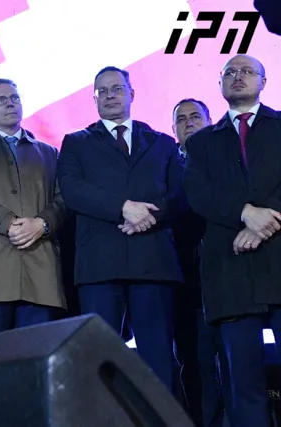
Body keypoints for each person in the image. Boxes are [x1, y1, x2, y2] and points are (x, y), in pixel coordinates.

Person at [57, 66, 185, 389]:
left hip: (153, 262)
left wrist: (149, 217)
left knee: (158, 361)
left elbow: (181, 194)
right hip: (100, 265)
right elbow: (72, 190)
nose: (110, 95)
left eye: (117, 88)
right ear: (95, 99)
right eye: (103, 91)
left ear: (132, 94)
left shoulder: (162, 143)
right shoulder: (75, 143)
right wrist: (123, 208)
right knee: (100, 364)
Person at [184, 54, 281, 427]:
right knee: (244, 386)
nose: (237, 77)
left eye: (246, 72)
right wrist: (245, 213)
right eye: (229, 72)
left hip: (277, 259)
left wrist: (263, 221)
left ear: (263, 80)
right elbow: (198, 193)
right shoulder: (202, 142)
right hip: (230, 273)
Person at [0, 78, 66, 337]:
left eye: (14, 98)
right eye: (0, 100)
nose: (9, 103)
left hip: (40, 270)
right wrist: (9, 223)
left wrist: (42, 224)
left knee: (36, 359)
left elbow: (63, 199)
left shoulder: (49, 153)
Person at [171, 98, 229, 426]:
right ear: (173, 129)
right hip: (185, 288)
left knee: (237, 368)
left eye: (196, 116)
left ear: (209, 122)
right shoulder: (167, 168)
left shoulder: (227, 162)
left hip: (229, 283)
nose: (189, 122)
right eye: (182, 119)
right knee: (194, 368)